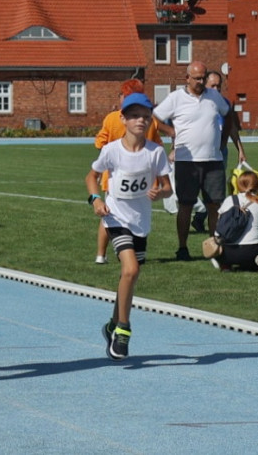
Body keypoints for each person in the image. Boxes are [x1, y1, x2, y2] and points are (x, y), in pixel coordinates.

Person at [85, 93, 172, 361]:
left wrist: (161, 193)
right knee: (130, 269)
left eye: (145, 117)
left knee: (130, 277)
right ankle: (123, 330)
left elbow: (167, 187)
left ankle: (112, 324)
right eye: (134, 116)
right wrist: (96, 198)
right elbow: (92, 175)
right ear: (122, 118)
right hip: (116, 217)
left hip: (140, 222)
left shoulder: (155, 152)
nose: (140, 121)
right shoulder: (112, 150)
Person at [153, 61, 232, 261]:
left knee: (215, 205)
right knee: (186, 205)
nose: (200, 81)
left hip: (213, 160)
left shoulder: (214, 96)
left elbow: (228, 113)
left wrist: (224, 140)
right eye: (196, 78)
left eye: (203, 77)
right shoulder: (175, 98)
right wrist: (170, 131)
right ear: (187, 78)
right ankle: (182, 248)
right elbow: (155, 118)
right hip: (186, 161)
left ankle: (214, 247)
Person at [92, 79, 162, 264]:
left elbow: (100, 142)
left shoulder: (111, 118)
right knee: (115, 214)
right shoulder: (150, 122)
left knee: (109, 215)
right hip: (139, 182)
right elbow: (158, 143)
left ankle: (101, 254)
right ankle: (118, 251)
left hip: (114, 176)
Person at [192, 70, 248, 231]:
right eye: (213, 85)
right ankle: (201, 216)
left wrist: (240, 150)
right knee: (196, 188)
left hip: (219, 153)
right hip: (198, 153)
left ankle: (212, 223)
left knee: (215, 191)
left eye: (219, 85)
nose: (216, 89)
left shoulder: (224, 103)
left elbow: (231, 129)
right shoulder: (198, 102)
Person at [212, 171, 258, 273]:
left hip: (227, 252)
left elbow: (219, 227)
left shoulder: (228, 200)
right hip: (253, 251)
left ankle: (225, 264)